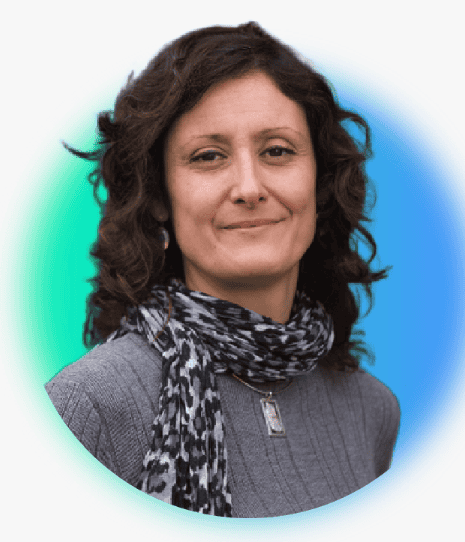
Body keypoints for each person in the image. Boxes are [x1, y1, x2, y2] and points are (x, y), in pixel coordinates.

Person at [45, 21, 400, 518]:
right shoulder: (88, 407)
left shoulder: (372, 411)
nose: (249, 188)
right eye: (208, 156)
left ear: (319, 183)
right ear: (160, 197)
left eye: (277, 151)